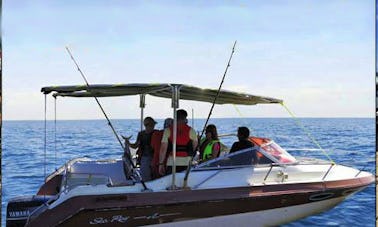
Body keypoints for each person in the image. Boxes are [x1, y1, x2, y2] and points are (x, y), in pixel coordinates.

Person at [159, 109, 198, 175]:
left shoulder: (168, 131)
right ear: (185, 118)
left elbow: (163, 149)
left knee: (171, 184)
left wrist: (161, 164)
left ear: (175, 117)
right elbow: (195, 147)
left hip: (172, 162)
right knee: (184, 184)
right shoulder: (191, 131)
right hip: (186, 163)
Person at [123, 116, 158, 181]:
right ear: (146, 125)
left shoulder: (156, 133)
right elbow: (136, 145)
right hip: (145, 158)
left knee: (155, 177)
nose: (153, 126)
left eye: (153, 125)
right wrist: (128, 143)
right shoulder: (141, 134)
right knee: (146, 177)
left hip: (155, 158)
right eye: (151, 125)